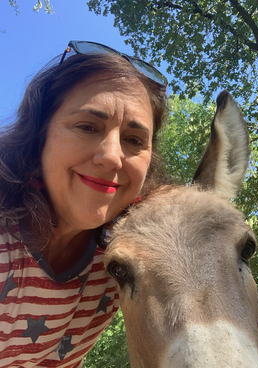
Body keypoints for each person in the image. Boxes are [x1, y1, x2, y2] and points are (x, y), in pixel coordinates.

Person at [0, 41, 167, 368]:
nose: (112, 157)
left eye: (134, 140)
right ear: (40, 134)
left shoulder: (122, 262)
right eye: (88, 127)